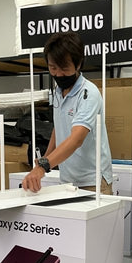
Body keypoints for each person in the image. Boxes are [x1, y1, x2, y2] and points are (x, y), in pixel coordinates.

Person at [22, 32, 113, 195]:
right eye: (53, 68)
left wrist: (43, 166)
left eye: (64, 68)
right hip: (67, 181)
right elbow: (59, 128)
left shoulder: (88, 93)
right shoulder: (58, 91)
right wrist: (43, 160)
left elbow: (76, 139)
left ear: (78, 65)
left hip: (93, 182)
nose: (58, 74)